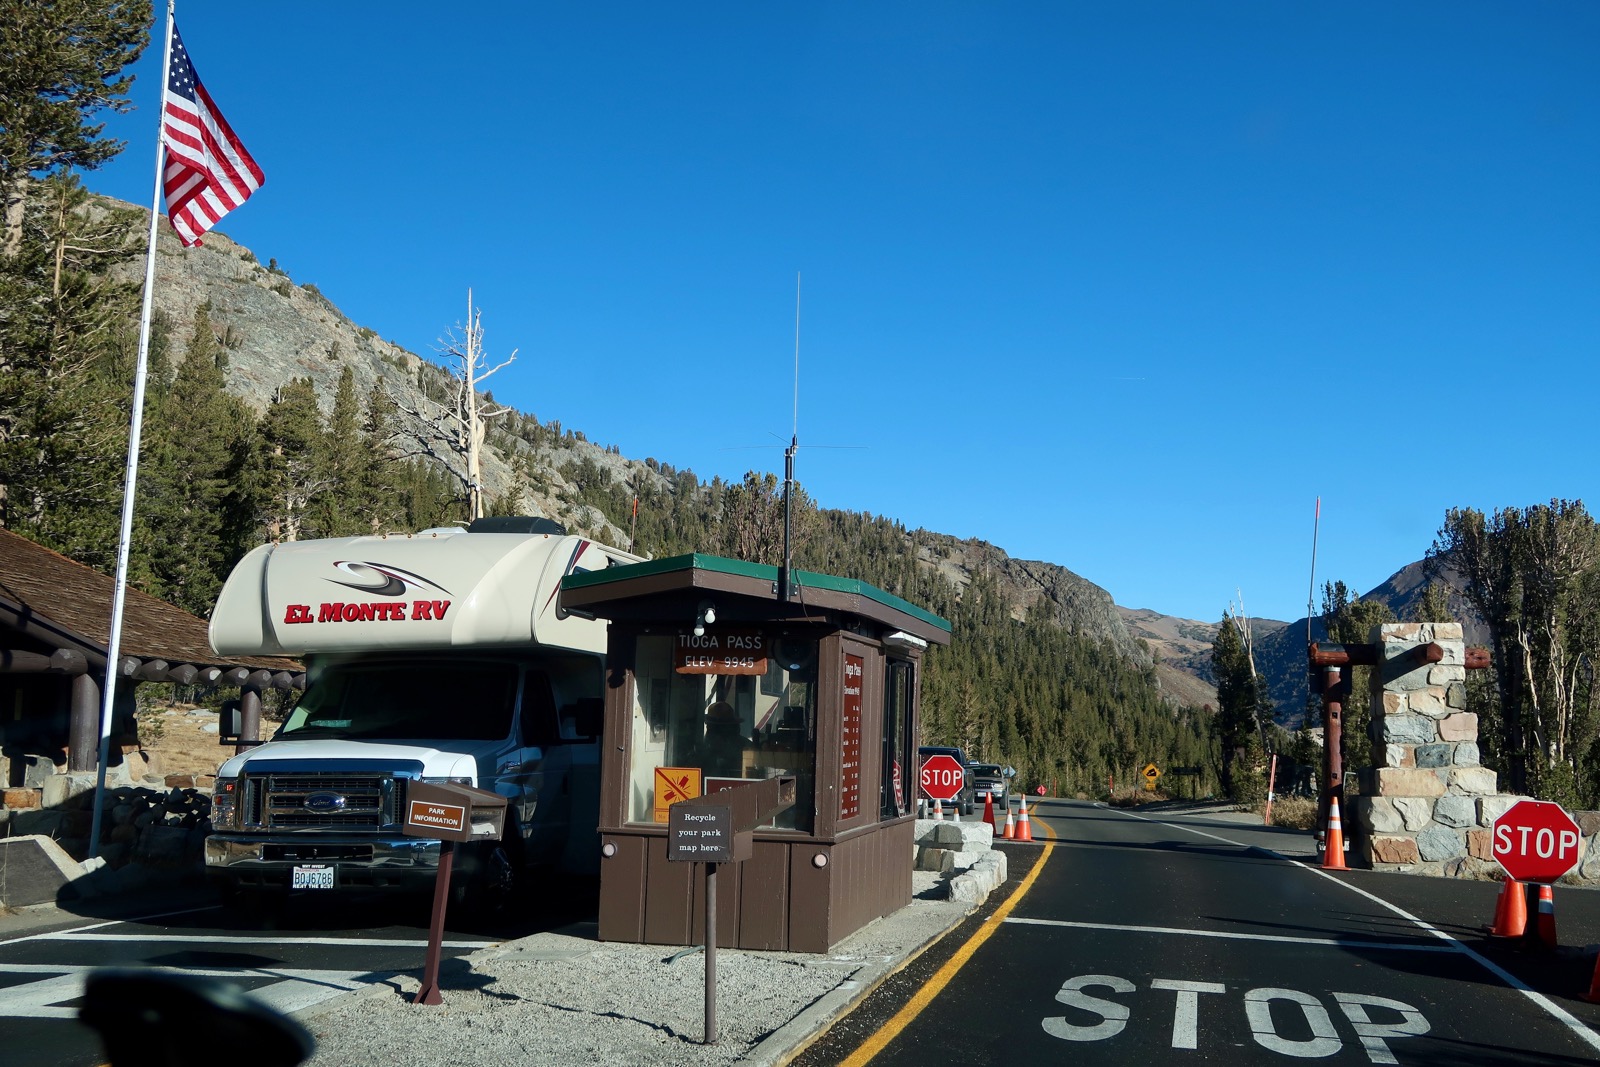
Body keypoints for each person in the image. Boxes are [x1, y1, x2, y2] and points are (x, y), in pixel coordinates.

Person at [695, 700, 746, 777]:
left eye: (714, 728)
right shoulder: (701, 751)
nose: (709, 731)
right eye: (708, 726)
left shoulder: (745, 749)